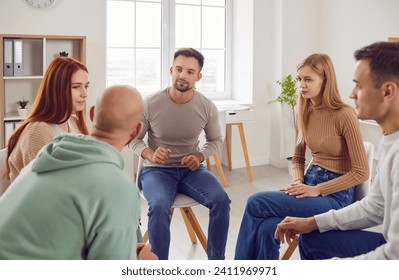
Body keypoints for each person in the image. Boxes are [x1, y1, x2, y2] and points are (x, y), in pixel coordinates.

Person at [234, 53, 369, 260]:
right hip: (309, 183)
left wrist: (317, 190)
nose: (301, 85)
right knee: (267, 227)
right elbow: (298, 158)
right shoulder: (304, 111)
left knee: (256, 202)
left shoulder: (345, 114)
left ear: (325, 80)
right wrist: (298, 181)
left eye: (308, 79)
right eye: (299, 79)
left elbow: (361, 172)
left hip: (335, 197)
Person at [0, 85, 157, 260]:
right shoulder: (117, 187)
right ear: (136, 131)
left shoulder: (47, 155)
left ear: (92, 114)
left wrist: (123, 252)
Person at [275, 41, 399, 260]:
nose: (352, 94)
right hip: (316, 183)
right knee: (311, 237)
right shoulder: (389, 141)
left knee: (258, 203)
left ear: (388, 91)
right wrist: (313, 223)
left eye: (359, 85)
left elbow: (394, 256)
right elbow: (375, 207)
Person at [131, 47, 231, 260]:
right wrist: (150, 154)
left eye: (189, 72)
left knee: (221, 200)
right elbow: (133, 139)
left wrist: (199, 157)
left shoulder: (206, 106)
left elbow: (215, 140)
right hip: (157, 171)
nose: (183, 76)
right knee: (158, 206)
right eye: (179, 69)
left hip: (191, 171)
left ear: (198, 76)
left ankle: (217, 263)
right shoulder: (150, 102)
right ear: (171, 71)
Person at [6, 57, 89, 183]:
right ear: (57, 89)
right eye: (76, 87)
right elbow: (45, 189)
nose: (84, 93)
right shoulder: (37, 132)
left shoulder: (72, 121)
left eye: (86, 86)